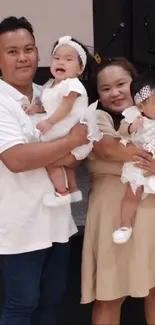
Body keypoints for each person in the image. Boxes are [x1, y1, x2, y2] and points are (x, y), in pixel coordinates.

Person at [0, 16, 88, 325]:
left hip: (57, 223)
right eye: (12, 51)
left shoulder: (52, 93)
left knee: (51, 302)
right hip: (18, 228)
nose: (23, 57)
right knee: (21, 304)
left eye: (29, 49)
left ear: (39, 53)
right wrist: (69, 141)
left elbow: (78, 155)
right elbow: (15, 159)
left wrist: (71, 145)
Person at [81, 57, 155, 325]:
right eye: (105, 88)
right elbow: (108, 149)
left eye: (122, 84)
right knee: (109, 296)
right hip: (111, 216)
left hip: (151, 211)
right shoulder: (94, 116)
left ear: (136, 85)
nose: (115, 92)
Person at [28, 35, 102, 208]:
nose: (61, 62)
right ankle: (74, 189)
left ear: (80, 69)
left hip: (69, 130)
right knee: (64, 165)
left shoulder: (72, 84)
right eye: (57, 58)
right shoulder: (53, 85)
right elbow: (50, 105)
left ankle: (62, 192)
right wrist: (37, 109)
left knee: (49, 161)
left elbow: (65, 107)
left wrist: (49, 122)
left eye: (68, 59)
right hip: (64, 130)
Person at [112, 72, 155, 244]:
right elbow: (121, 132)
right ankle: (125, 225)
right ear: (141, 106)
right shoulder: (133, 117)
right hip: (140, 164)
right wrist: (131, 128)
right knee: (132, 194)